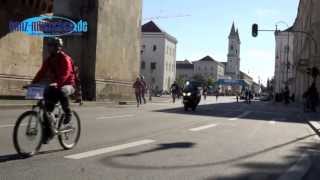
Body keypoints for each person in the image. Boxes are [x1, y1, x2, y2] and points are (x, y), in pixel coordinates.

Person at [31, 37, 76, 143]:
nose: (49, 48)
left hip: (69, 85)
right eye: (49, 46)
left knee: (61, 91)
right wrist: (32, 84)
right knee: (46, 110)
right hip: (55, 85)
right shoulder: (49, 59)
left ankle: (68, 112)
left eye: (51, 46)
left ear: (58, 47)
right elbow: (41, 72)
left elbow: (65, 74)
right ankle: (49, 133)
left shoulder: (65, 58)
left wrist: (58, 83)